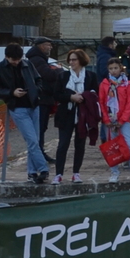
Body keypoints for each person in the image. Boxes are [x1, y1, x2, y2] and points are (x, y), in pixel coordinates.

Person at [0, 44, 48, 183]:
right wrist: (12, 93)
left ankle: (32, 172)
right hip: (18, 108)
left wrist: (36, 91)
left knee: (33, 141)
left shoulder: (27, 64)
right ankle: (43, 168)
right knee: (33, 140)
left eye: (18, 59)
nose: (16, 62)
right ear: (6, 57)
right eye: (13, 60)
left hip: (33, 105)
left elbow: (38, 79)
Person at [53, 48, 99, 184]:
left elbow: (95, 93)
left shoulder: (90, 76)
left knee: (80, 145)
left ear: (81, 60)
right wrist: (70, 97)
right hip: (66, 114)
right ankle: (58, 174)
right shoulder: (63, 76)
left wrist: (85, 97)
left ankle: (76, 173)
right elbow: (56, 95)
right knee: (63, 144)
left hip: (83, 115)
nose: (71, 62)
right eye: (70, 60)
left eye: (74, 59)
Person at [98, 59, 130, 185]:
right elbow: (101, 102)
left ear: (120, 68)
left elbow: (129, 103)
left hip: (123, 121)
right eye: (111, 68)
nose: (113, 71)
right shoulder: (104, 84)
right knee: (112, 147)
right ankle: (114, 172)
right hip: (110, 121)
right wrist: (106, 119)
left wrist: (122, 120)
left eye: (115, 68)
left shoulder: (127, 84)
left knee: (129, 145)